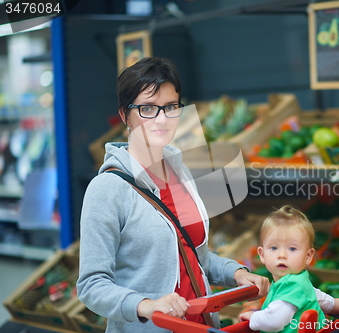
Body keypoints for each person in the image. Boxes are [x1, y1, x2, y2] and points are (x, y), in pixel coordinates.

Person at [76, 57, 269, 333]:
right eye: (147, 109)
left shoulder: (180, 174)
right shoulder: (107, 189)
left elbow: (192, 255)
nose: (162, 119)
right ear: (124, 115)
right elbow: (91, 285)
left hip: (202, 326)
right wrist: (146, 305)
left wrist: (236, 273)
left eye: (171, 107)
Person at [239, 205, 339, 333]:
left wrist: (253, 316)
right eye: (274, 248)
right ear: (262, 255)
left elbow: (274, 322)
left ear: (308, 257)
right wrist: (335, 305)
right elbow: (313, 295)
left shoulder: (291, 285)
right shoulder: (297, 282)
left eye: (292, 248)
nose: (282, 255)